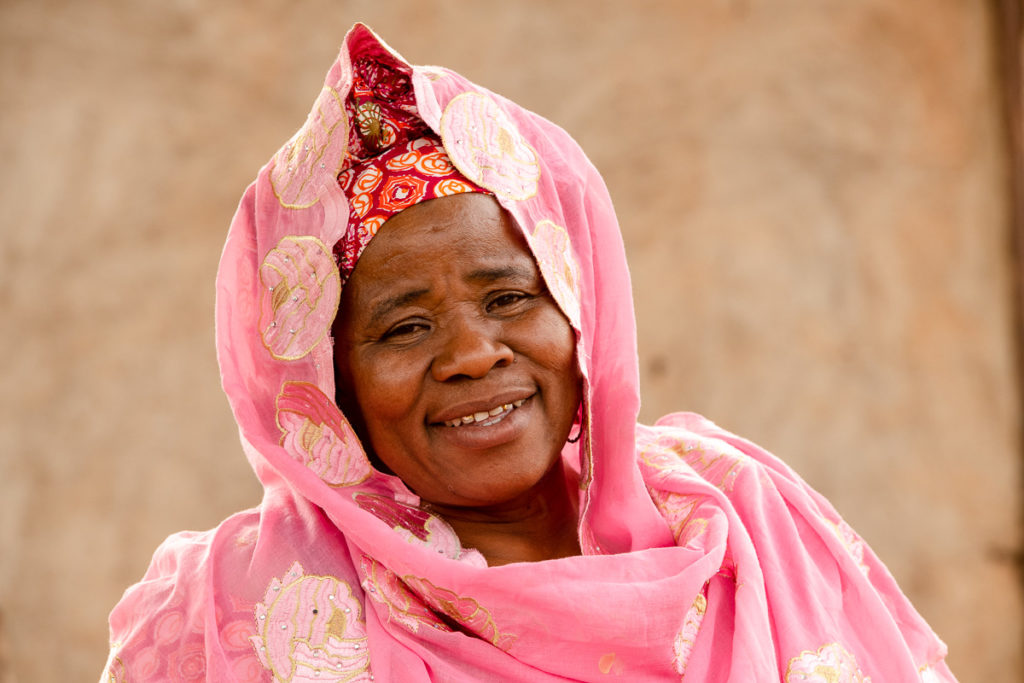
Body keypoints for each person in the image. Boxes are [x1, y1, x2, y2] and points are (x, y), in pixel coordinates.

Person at [102, 23, 957, 682]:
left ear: (582, 313)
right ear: (330, 386)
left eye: (511, 297)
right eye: (404, 327)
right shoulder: (231, 609)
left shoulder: (744, 524)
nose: (474, 355)